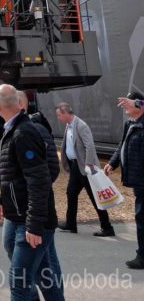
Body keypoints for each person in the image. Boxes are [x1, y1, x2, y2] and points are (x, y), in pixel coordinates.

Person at [0, 84, 63, 300]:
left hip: (29, 220)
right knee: (44, 275)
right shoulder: (13, 130)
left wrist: (34, 224)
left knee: (19, 284)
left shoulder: (23, 133)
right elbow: (10, 172)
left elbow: (39, 180)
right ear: (19, 102)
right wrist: (3, 198)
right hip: (17, 215)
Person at [53, 101, 114, 237]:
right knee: (71, 193)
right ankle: (70, 224)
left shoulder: (81, 125)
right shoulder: (68, 125)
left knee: (94, 197)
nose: (58, 118)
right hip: (76, 167)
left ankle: (107, 227)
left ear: (65, 113)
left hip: (85, 168)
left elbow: (90, 146)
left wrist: (89, 165)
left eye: (59, 115)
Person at [105, 92, 144, 269]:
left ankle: (142, 257)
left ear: (139, 105)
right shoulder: (131, 124)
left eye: (129, 102)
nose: (125, 106)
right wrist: (112, 163)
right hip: (139, 181)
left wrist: (137, 101)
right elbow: (122, 145)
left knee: (141, 218)